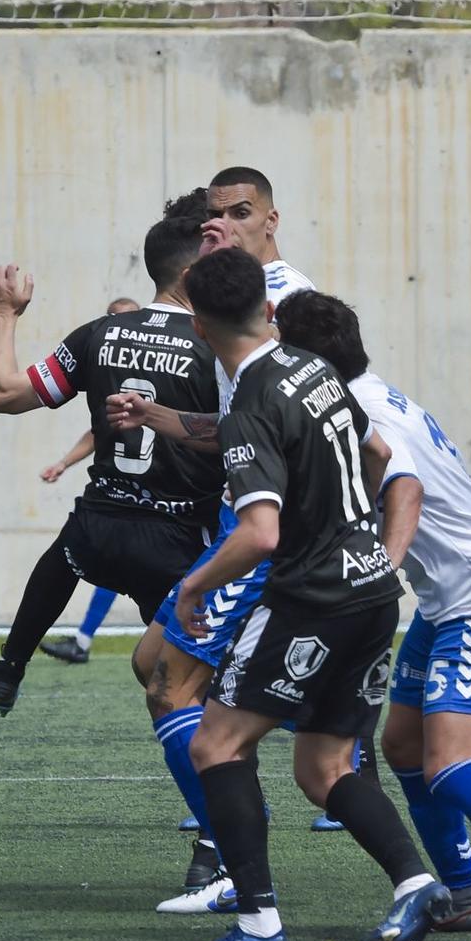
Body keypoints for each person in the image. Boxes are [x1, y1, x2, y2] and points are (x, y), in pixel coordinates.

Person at [272, 290, 471, 941]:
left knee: (450, 761)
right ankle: (464, 895)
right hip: (451, 596)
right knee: (403, 747)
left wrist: (380, 573)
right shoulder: (369, 390)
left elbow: (405, 484)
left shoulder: (358, 407)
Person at [167, 248, 444, 941]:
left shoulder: (251, 402)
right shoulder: (315, 367)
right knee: (322, 767)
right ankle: (415, 882)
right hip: (374, 589)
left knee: (215, 745)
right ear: (266, 304)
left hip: (312, 599)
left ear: (199, 327)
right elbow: (379, 455)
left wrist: (193, 585)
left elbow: (261, 532)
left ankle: (259, 926)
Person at [109, 165, 340, 899]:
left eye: (241, 212)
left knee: (172, 686)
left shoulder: (289, 301)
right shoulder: (223, 298)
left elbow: (315, 415)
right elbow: (234, 426)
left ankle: (230, 857)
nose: (226, 224)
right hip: (246, 520)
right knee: (157, 670)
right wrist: (156, 419)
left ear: (272, 218)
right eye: (215, 214)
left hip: (272, 529)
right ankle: (233, 836)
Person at [0, 208, 226, 816]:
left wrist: (4, 316)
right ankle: (217, 823)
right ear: (194, 272)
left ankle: (10, 667)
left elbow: (7, 395)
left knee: (67, 551)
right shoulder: (217, 346)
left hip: (101, 525)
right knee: (192, 688)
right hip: (179, 543)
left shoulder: (99, 334)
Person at [37, 296, 143, 663]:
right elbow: (100, 431)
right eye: (111, 319)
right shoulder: (110, 371)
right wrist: (63, 463)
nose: (117, 327)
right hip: (120, 493)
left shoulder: (161, 366)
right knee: (105, 559)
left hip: (164, 496)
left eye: (125, 320)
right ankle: (78, 641)